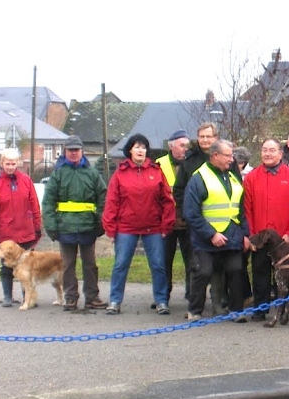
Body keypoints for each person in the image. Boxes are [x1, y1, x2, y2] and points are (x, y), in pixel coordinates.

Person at [102, 133, 176, 315]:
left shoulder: (156, 171)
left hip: (153, 227)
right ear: (130, 150)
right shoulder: (120, 173)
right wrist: (110, 228)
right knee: (120, 264)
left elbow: (167, 200)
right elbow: (112, 201)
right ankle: (114, 301)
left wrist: (167, 224)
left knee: (158, 265)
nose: (140, 150)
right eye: (137, 147)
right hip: (126, 227)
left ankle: (161, 301)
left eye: (143, 147)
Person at [183, 139, 251, 322]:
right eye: (228, 155)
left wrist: (246, 234)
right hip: (206, 238)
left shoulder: (232, 176)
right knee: (203, 271)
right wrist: (211, 234)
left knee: (237, 270)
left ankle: (237, 310)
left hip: (233, 234)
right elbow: (191, 212)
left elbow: (239, 209)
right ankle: (195, 310)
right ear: (215, 156)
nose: (232, 159)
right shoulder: (199, 178)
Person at [42, 135, 108, 311]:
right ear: (65, 152)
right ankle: (70, 298)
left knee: (90, 264)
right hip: (65, 227)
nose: (73, 153)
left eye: (76, 150)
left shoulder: (92, 174)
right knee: (68, 265)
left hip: (88, 226)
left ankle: (92, 297)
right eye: (70, 150)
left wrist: (100, 222)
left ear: (82, 151)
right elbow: (48, 202)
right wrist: (51, 226)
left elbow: (103, 198)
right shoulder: (58, 174)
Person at [244, 139, 289, 321]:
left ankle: (284, 310)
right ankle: (260, 309)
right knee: (260, 273)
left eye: (272, 150)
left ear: (280, 153)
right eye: (264, 150)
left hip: (284, 239)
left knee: (285, 276)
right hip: (261, 238)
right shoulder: (252, 177)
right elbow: (247, 209)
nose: (268, 154)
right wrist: (252, 236)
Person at [0, 147, 43, 307]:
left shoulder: (26, 181)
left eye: (13, 163)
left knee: (27, 267)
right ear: (2, 163)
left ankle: (28, 298)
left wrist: (37, 226)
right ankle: (7, 297)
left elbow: (34, 205)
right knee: (6, 268)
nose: (10, 166)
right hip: (6, 234)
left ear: (17, 163)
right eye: (7, 163)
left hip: (25, 231)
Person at [156, 130, 193, 305]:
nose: (185, 149)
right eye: (182, 145)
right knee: (163, 261)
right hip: (166, 220)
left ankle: (192, 295)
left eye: (187, 145)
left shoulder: (192, 163)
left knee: (192, 261)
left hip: (187, 220)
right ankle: (163, 297)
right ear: (171, 147)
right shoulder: (159, 164)